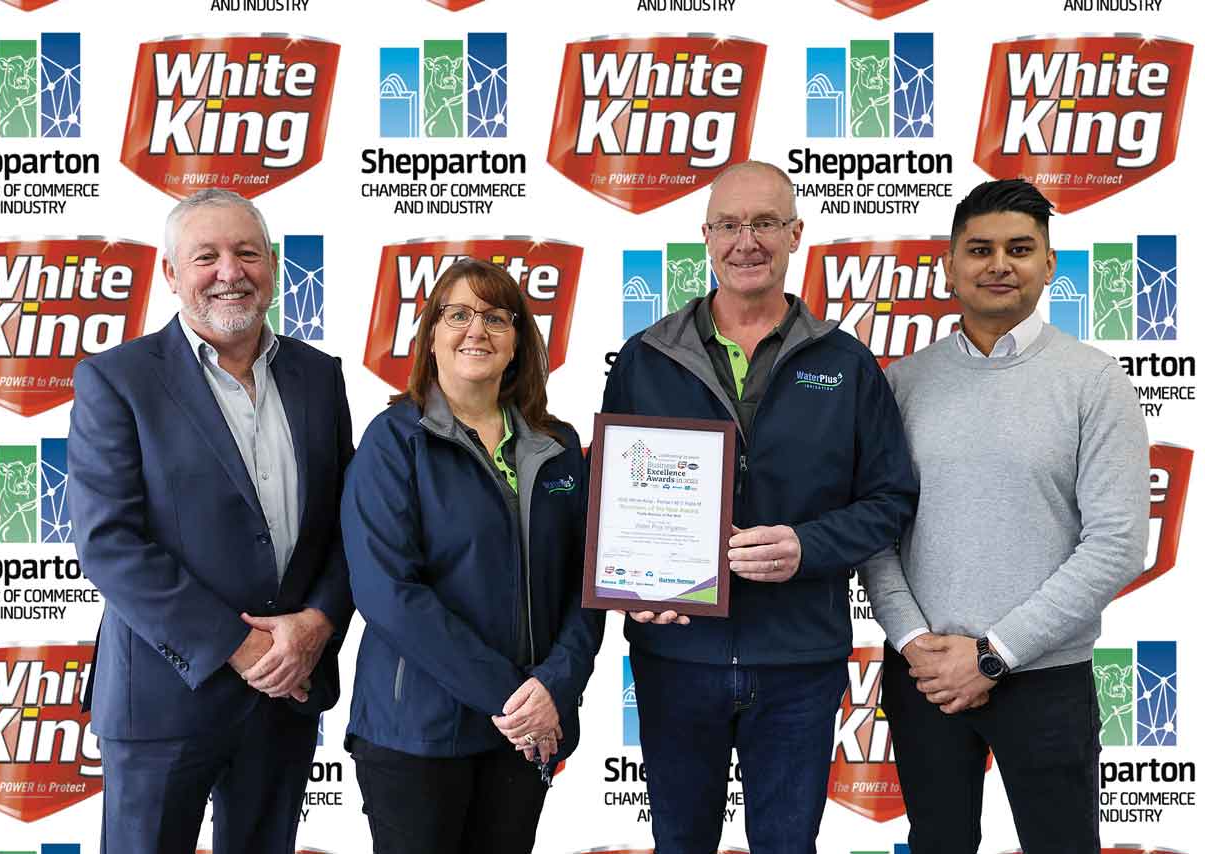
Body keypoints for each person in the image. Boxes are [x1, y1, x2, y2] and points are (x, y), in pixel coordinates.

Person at [600, 160, 919, 854]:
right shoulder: (645, 358)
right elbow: (608, 500)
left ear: (796, 234)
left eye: (766, 223)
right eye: (729, 225)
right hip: (676, 655)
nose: (746, 242)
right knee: (680, 843)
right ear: (706, 237)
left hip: (799, 662)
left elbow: (891, 500)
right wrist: (628, 588)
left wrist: (809, 547)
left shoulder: (847, 363)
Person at [863, 178, 1149, 854]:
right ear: (949, 266)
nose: (999, 265)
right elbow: (875, 531)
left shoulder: (1094, 381)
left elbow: (1117, 544)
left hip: (1045, 677)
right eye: (979, 249)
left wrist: (995, 655)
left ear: (1049, 264)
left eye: (1019, 249)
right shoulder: (901, 383)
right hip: (925, 676)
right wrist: (913, 642)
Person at [67, 188, 354, 854]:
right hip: (163, 698)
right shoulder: (117, 380)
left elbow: (348, 525)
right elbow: (109, 543)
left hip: (287, 691)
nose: (230, 272)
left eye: (246, 253)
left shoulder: (319, 376)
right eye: (206, 257)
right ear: (172, 273)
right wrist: (240, 646)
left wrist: (317, 623)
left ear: (272, 266)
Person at [342, 258, 602, 854]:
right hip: (420, 733)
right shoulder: (393, 440)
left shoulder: (558, 445)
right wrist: (515, 699)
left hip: (526, 729)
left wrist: (556, 685)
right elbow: (388, 594)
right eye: (457, 315)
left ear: (518, 341)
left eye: (495, 317)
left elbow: (587, 582)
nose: (476, 330)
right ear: (431, 335)